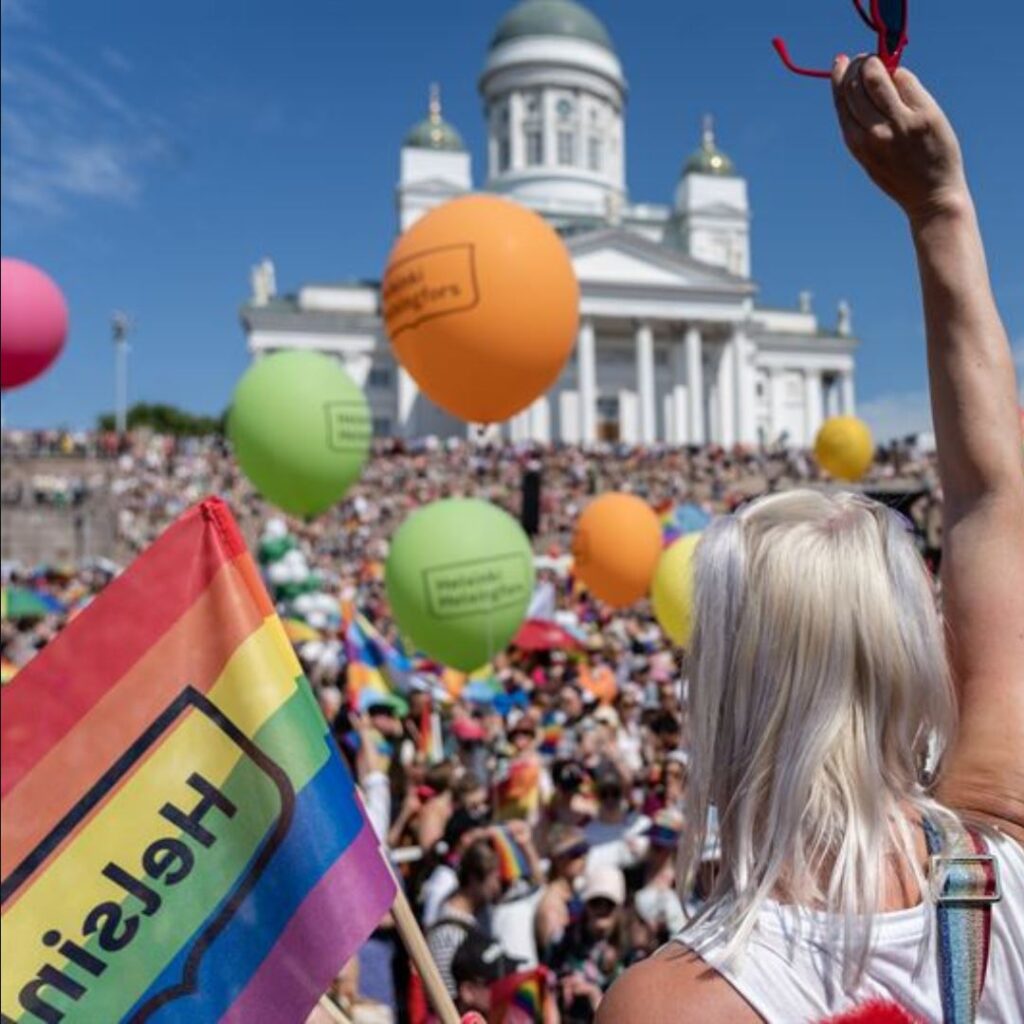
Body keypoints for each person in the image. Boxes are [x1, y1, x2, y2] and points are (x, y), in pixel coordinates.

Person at [600, 56, 1023, 1022]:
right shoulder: (1003, 837)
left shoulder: (673, 1002)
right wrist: (941, 209)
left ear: (714, 675)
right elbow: (993, 498)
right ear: (913, 650)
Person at [425, 838, 504, 998]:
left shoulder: (479, 917)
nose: (497, 887)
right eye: (493, 879)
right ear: (474, 878)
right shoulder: (447, 931)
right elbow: (444, 991)